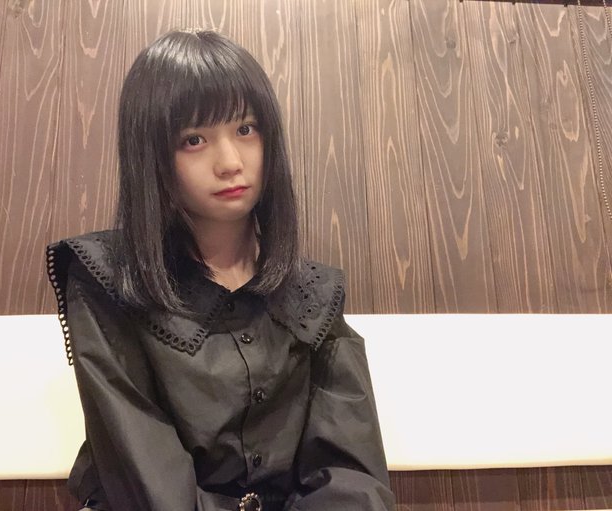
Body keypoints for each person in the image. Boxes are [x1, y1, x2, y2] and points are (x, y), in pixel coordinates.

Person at [46, 29, 395, 511]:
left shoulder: (313, 294)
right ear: (152, 156)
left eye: (246, 129)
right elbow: (149, 485)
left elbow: (351, 473)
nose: (230, 162)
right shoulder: (107, 279)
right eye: (194, 140)